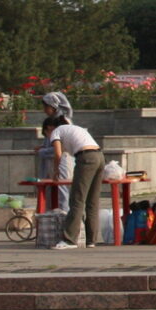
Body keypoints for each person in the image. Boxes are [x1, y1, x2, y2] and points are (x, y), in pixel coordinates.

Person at [43, 93, 102, 249]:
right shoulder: (72, 127)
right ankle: (91, 240)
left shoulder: (56, 132)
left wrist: (55, 172)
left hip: (86, 158)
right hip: (99, 156)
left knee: (76, 200)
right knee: (92, 201)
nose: (48, 137)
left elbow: (57, 154)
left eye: (46, 134)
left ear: (49, 128)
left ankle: (69, 240)